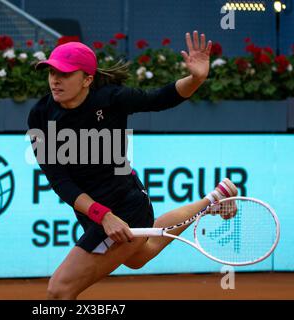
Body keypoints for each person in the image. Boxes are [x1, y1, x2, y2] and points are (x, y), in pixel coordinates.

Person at [27, 31, 238, 300]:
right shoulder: (40, 115)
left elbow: (160, 97)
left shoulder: (110, 99)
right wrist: (102, 215)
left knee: (59, 290)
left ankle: (212, 199)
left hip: (126, 206)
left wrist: (196, 79)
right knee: (140, 256)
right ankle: (213, 198)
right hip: (97, 212)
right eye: (51, 72)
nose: (55, 80)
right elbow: (60, 181)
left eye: (65, 74)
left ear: (87, 79)